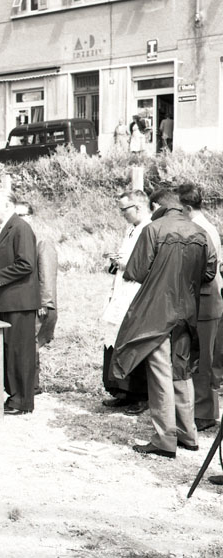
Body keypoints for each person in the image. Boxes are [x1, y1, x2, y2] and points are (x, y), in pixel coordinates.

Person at [113, 190, 216, 458]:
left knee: (160, 374)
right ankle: (188, 435)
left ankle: (164, 440)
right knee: (181, 371)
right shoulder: (200, 232)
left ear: (157, 205)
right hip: (188, 310)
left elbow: (135, 272)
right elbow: (209, 272)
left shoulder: (153, 229)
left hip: (157, 312)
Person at [0, 189, 40, 415]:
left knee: (19, 353)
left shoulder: (20, 228)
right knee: (8, 351)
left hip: (19, 304)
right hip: (7, 301)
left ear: (7, 205)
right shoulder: (4, 228)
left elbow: (26, 264)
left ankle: (22, 401)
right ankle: (14, 396)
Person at [101, 190, 152, 414]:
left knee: (134, 343)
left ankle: (140, 395)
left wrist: (126, 264)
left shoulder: (150, 229)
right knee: (116, 341)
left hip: (138, 295)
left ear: (138, 207)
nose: (122, 214)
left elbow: (147, 265)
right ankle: (122, 391)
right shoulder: (131, 229)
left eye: (124, 210)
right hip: (122, 291)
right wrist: (116, 262)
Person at [178, 183, 223, 432]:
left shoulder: (202, 229)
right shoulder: (204, 226)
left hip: (206, 300)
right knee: (203, 357)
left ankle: (205, 413)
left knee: (205, 359)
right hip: (203, 300)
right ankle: (202, 409)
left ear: (186, 208)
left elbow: (206, 270)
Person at [15, 202, 58, 395]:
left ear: (31, 217)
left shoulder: (41, 241)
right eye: (16, 216)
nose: (19, 220)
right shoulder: (20, 239)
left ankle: (32, 385)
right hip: (22, 301)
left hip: (37, 303)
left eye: (22, 215)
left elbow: (47, 275)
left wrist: (44, 302)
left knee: (31, 342)